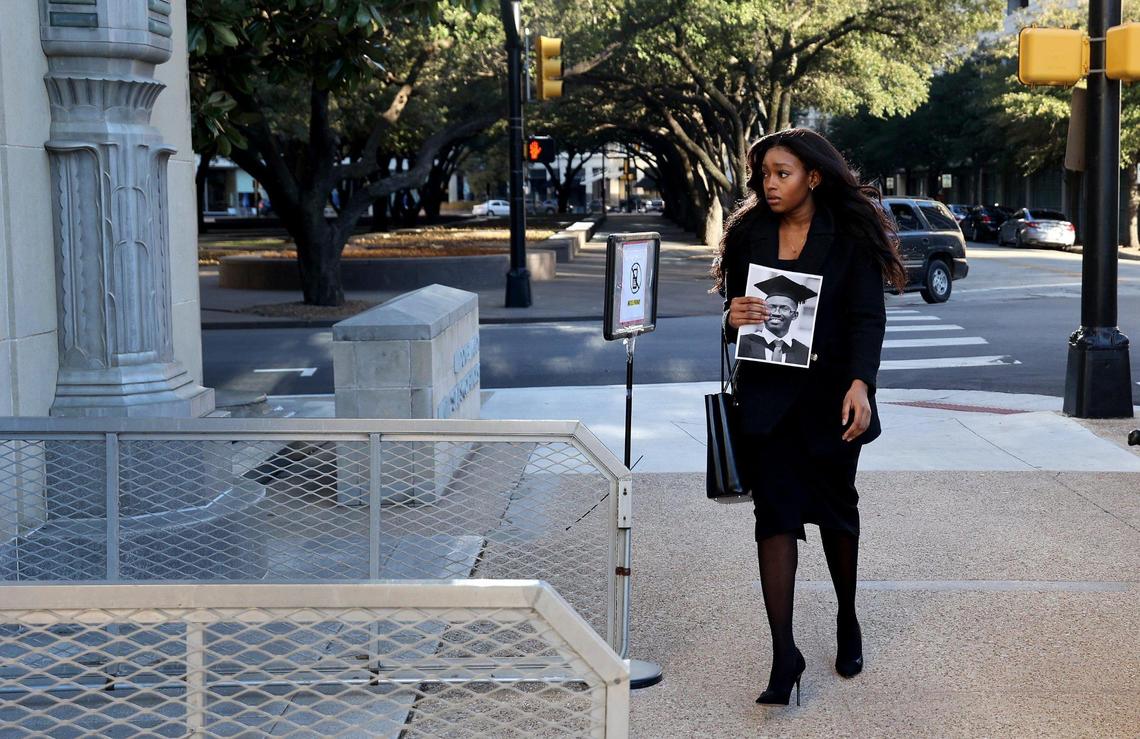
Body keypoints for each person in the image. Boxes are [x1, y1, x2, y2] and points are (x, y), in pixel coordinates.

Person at [712, 128, 906, 706]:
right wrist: (733, 317)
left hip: (829, 401)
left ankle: (848, 619)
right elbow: (733, 315)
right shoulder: (749, 232)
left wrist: (861, 384)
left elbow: (868, 319)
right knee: (773, 520)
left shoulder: (848, 235)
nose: (769, 184)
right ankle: (784, 654)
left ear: (813, 177)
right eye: (765, 175)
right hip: (767, 401)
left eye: (782, 173)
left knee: (837, 515)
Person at [736, 275, 817, 366]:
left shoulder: (804, 353)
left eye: (784, 308)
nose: (776, 313)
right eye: (771, 307)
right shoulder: (743, 343)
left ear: (794, 315)